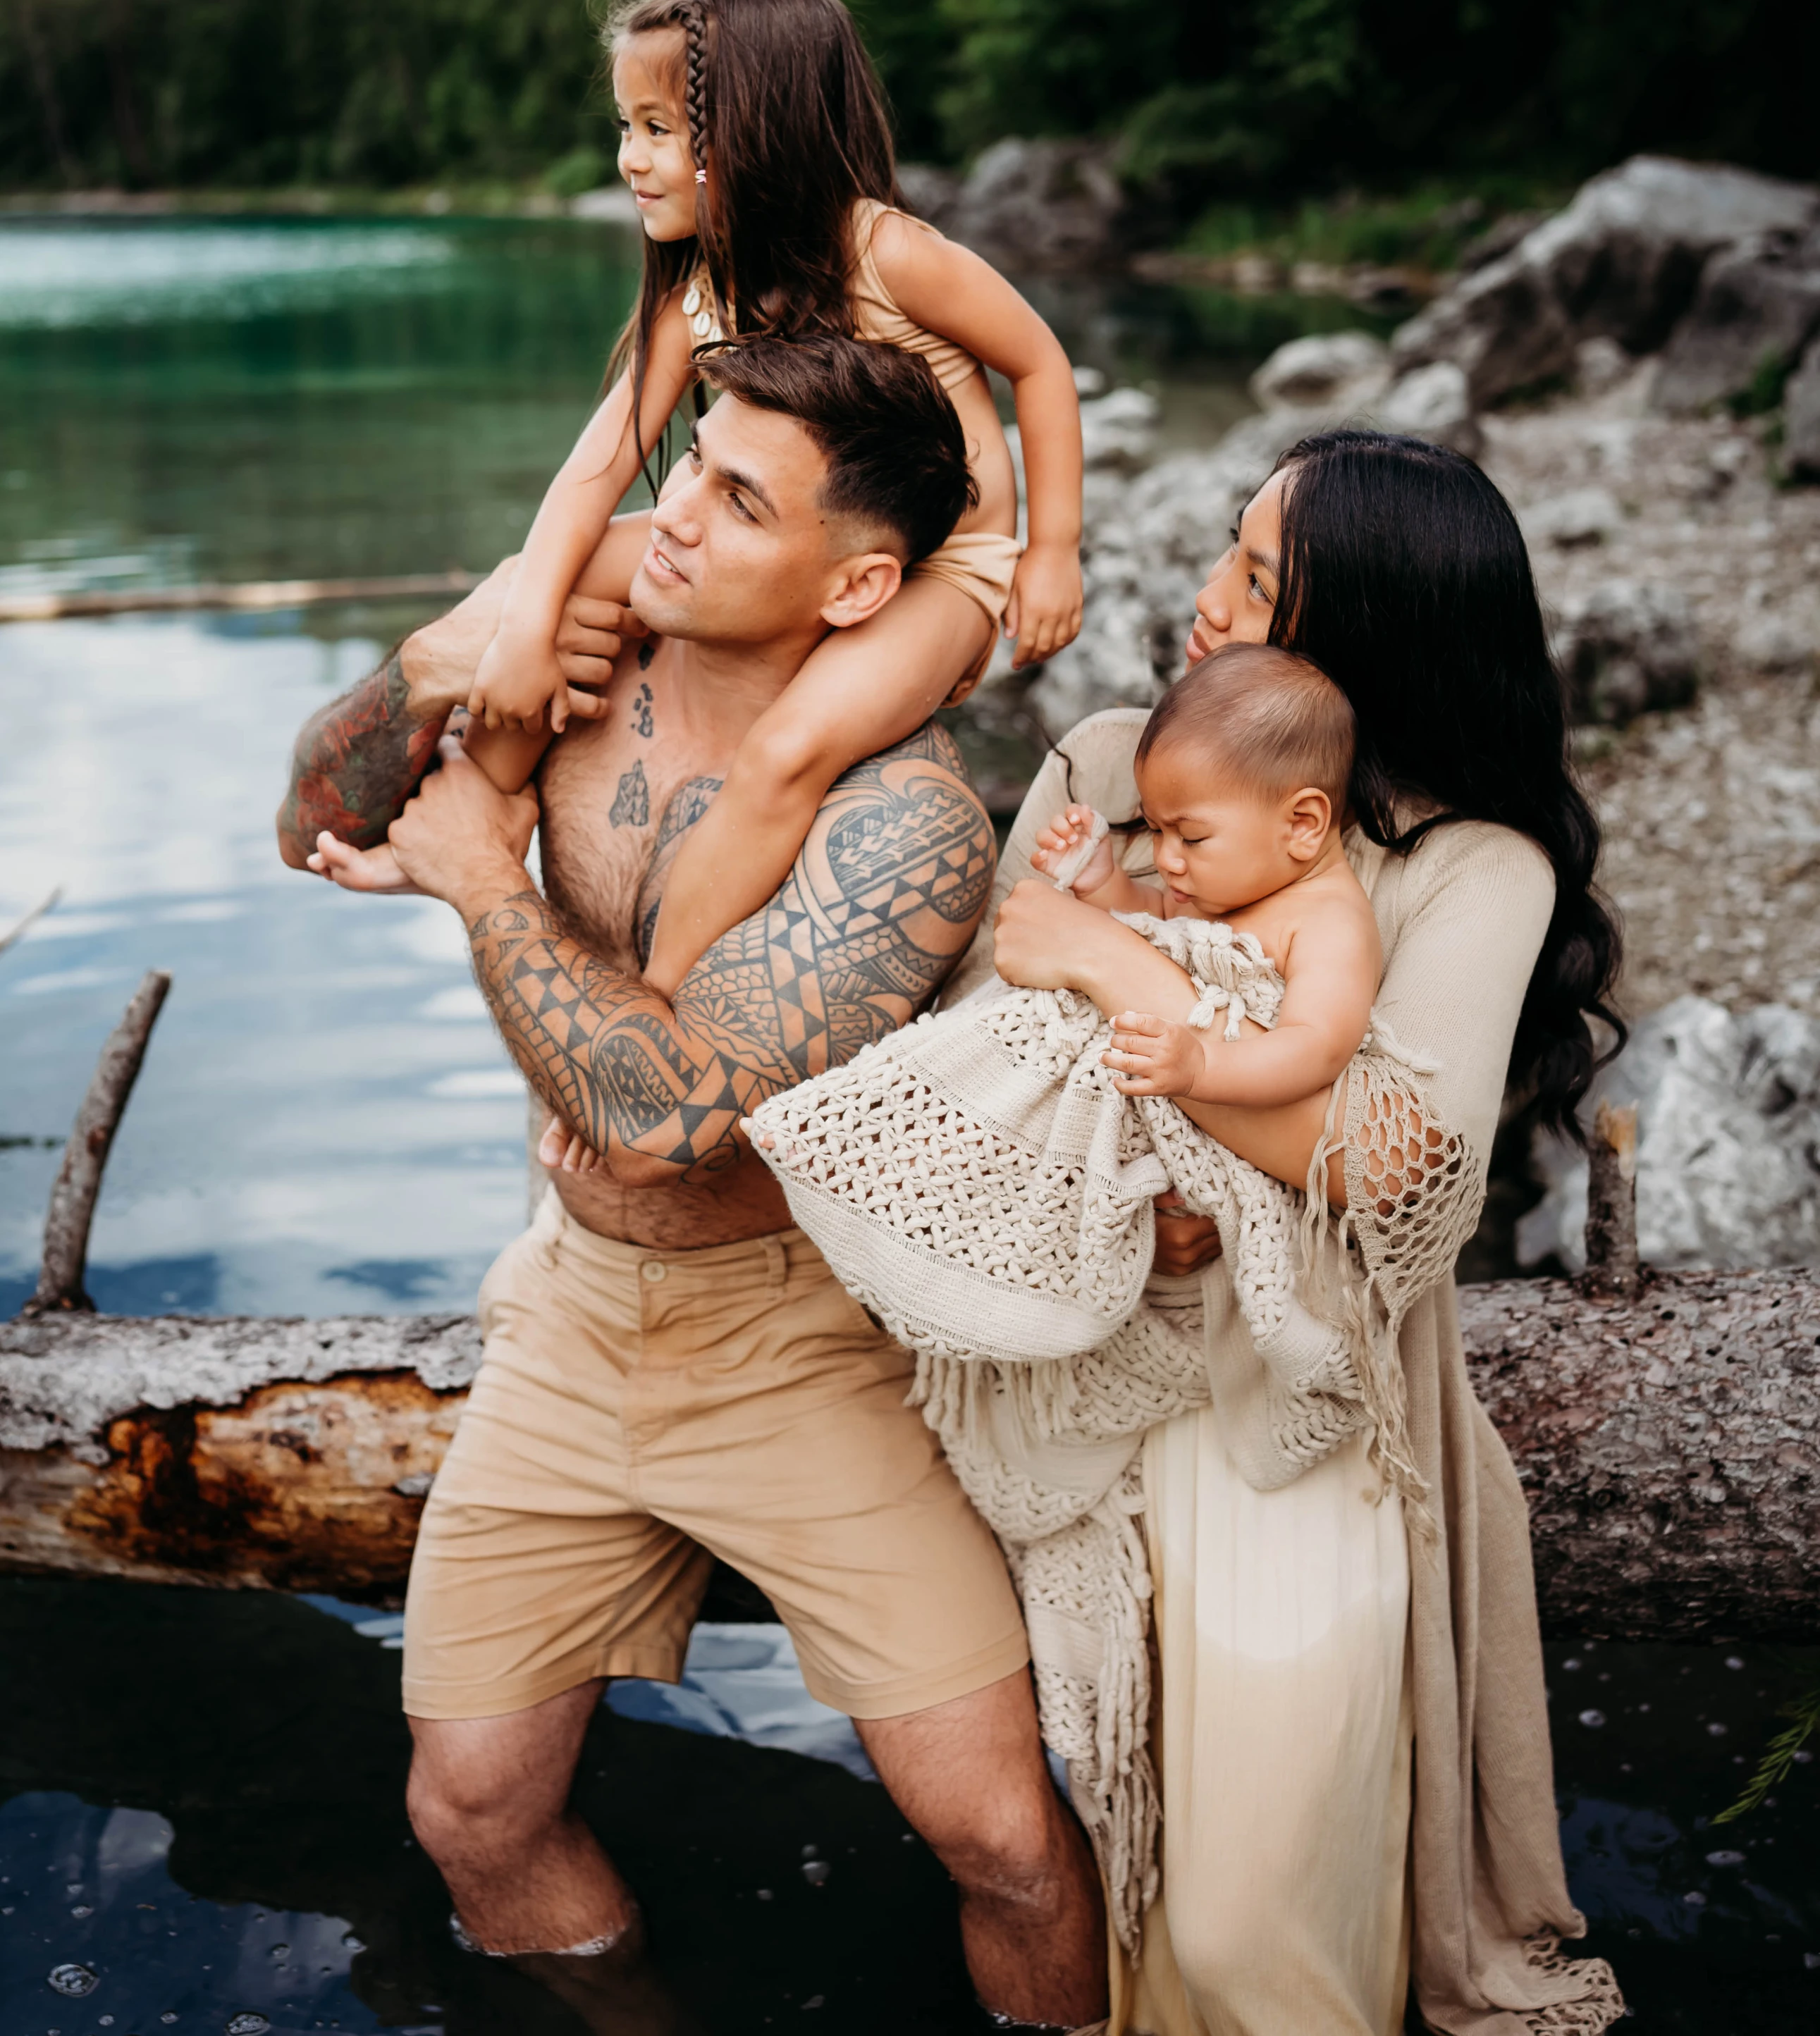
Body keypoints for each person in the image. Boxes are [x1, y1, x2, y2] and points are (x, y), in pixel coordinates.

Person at [276, 333, 1110, 2036]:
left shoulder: (905, 821)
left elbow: (671, 1113)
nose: (672, 518)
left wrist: (479, 884)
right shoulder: (584, 653)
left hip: (794, 1342)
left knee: (1002, 1840)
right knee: (472, 1811)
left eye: (740, 501)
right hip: (570, 1320)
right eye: (690, 465)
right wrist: (445, 654)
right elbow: (316, 816)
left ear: (859, 580)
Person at [959, 430, 1626, 2036]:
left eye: (1255, 577)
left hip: (1308, 1411)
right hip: (1088, 1361)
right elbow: (994, 1072)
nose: (1203, 600)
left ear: (1372, 629)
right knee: (1116, 1887)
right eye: (1225, 550)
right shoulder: (1113, 760)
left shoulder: (1473, 864)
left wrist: (1126, 976)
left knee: (1249, 1918)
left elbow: (1394, 1159)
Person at [378, 0, 1086, 1004]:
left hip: (944, 565)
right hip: (785, 544)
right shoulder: (698, 292)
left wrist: (1051, 550)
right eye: (625, 127)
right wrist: (529, 628)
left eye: (660, 130)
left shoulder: (885, 252)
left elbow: (1039, 361)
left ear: (758, 131)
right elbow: (599, 466)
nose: (629, 158)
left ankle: (656, 997)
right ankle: (467, 821)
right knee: (536, 582)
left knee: (786, 752)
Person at [1031, 644, 1382, 1125]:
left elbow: (1315, 1047)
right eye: (1156, 830)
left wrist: (1204, 1063)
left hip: (1219, 1114)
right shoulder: (1219, 884)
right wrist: (1101, 883)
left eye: (1191, 836)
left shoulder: (1330, 923)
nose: (1166, 857)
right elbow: (1156, 926)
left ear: (1302, 823)